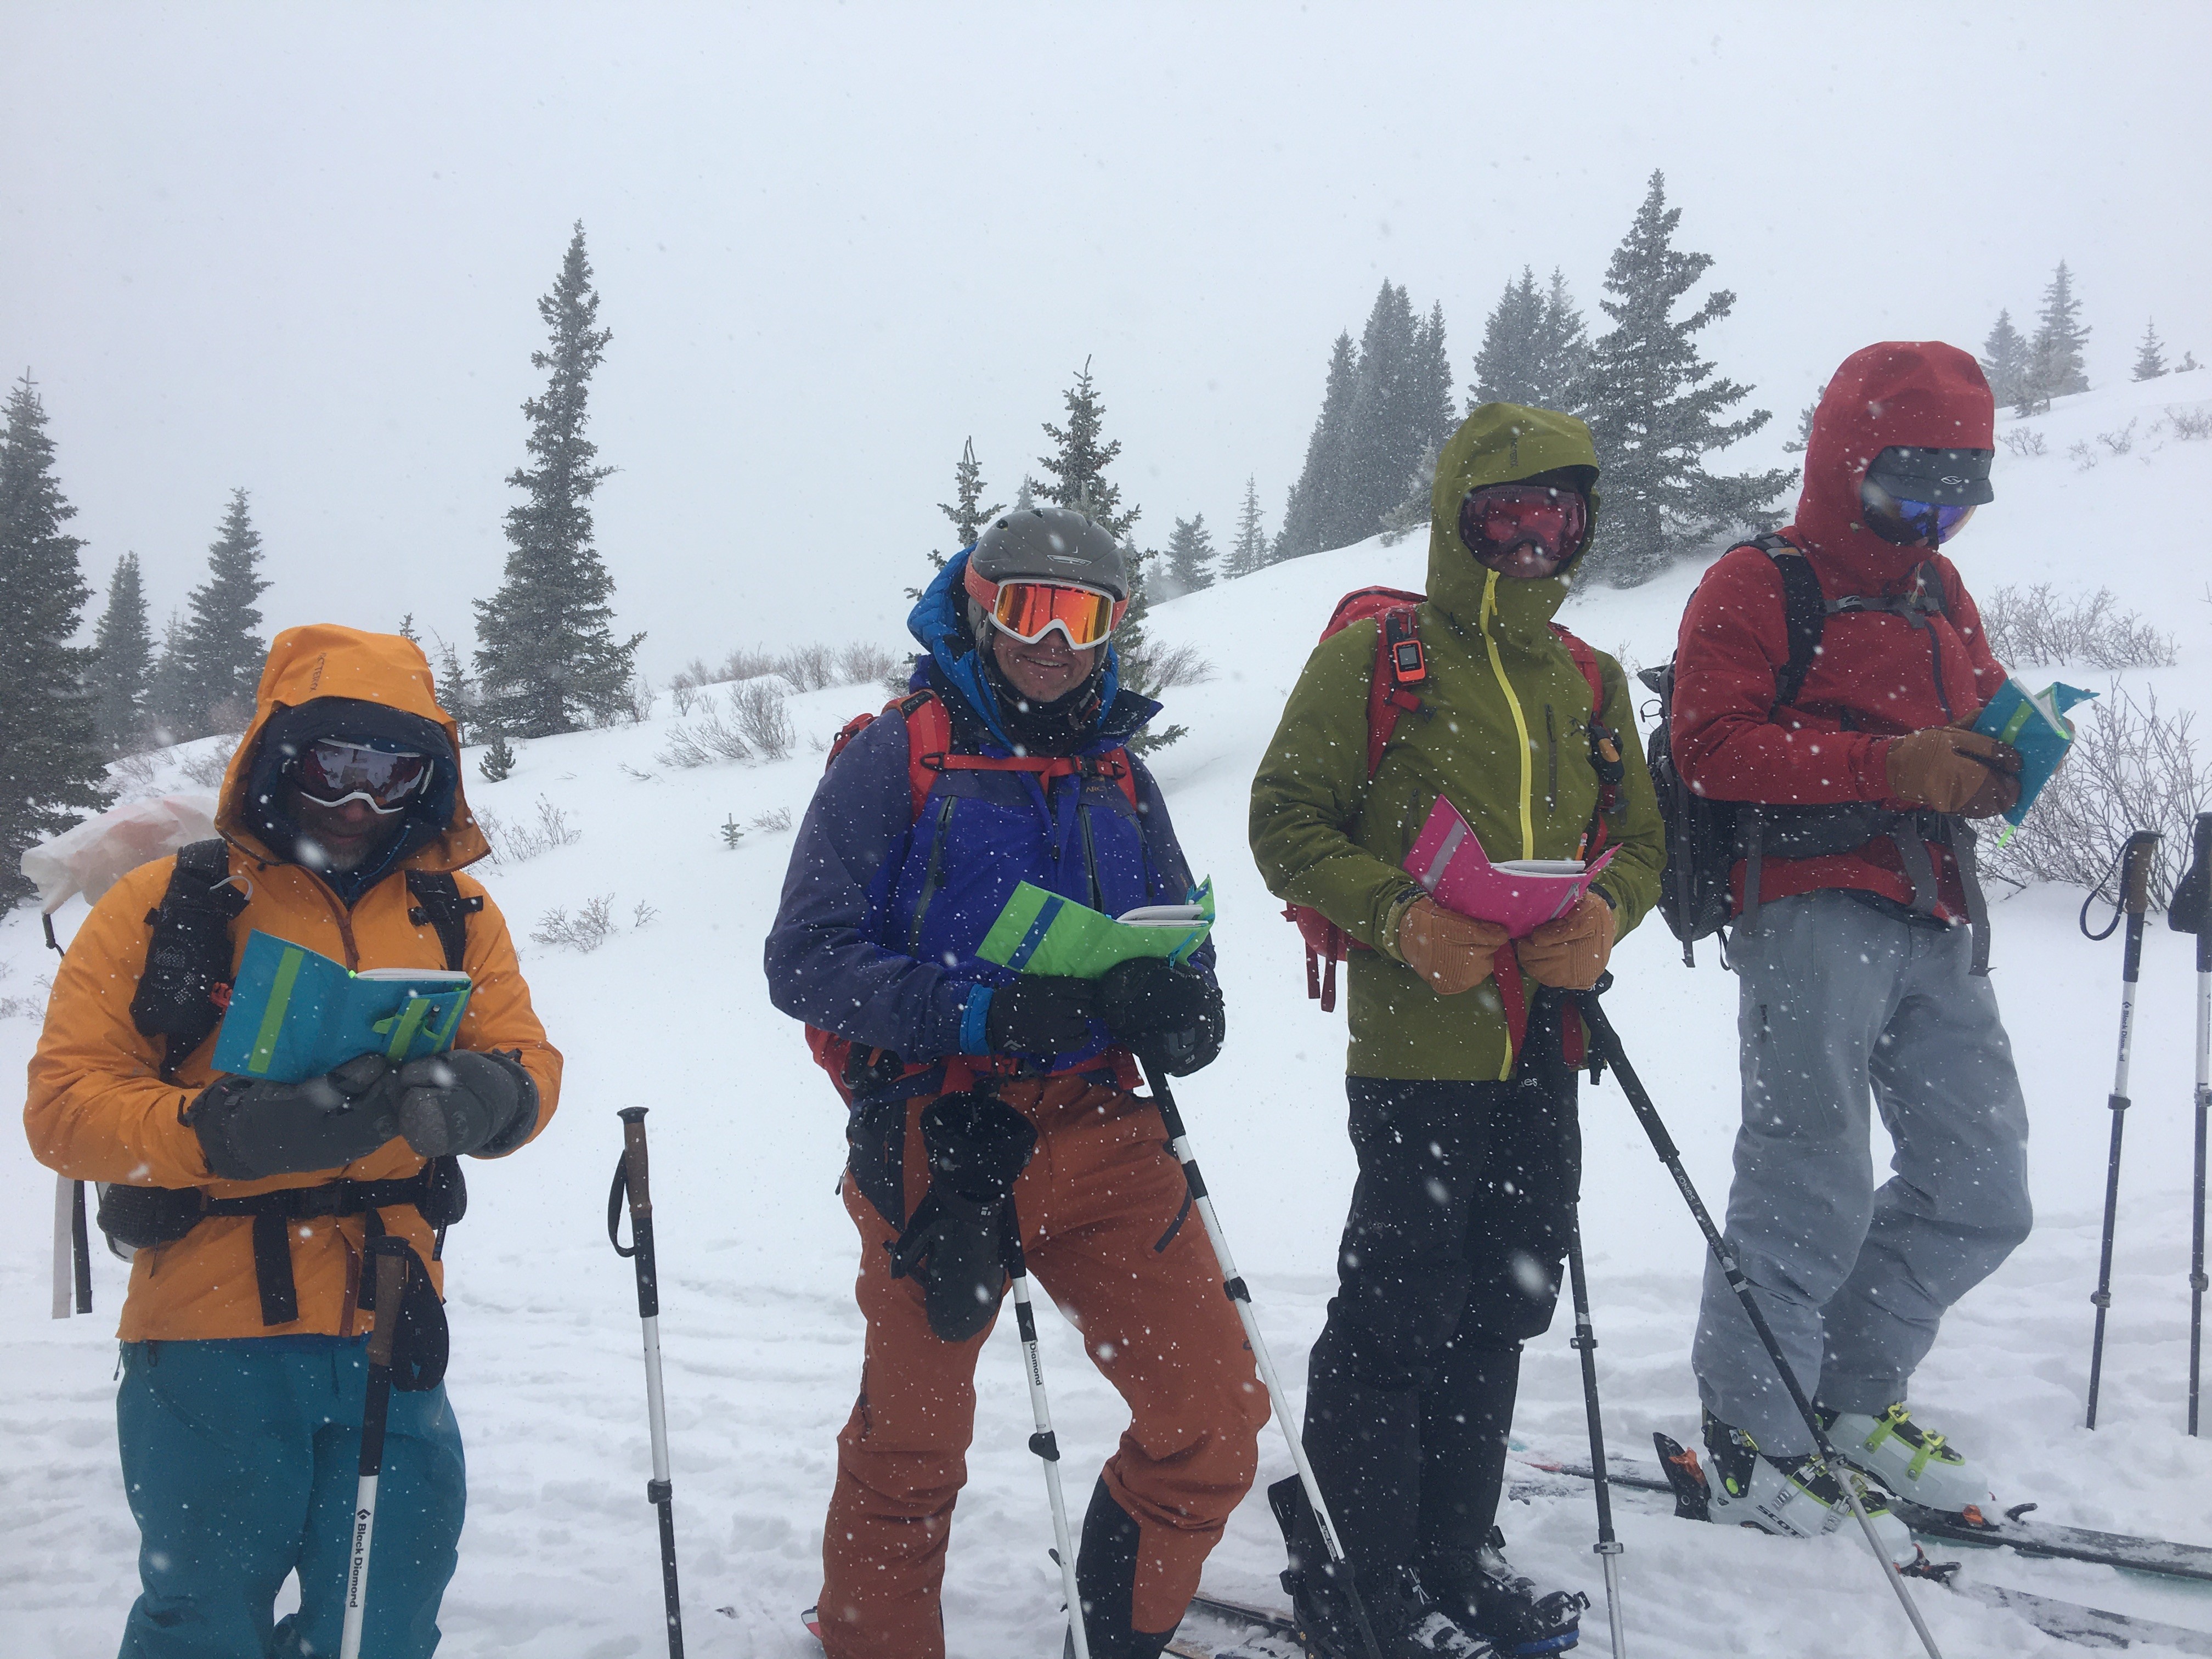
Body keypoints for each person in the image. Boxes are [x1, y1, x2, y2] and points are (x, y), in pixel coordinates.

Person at [764, 505, 1261, 1659]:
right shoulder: (901, 751)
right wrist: (976, 1009)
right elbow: (806, 958)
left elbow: (1182, 935)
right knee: (912, 1450)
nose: (1055, 639)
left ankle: (1121, 1631)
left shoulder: (1120, 775)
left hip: (1100, 1128)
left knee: (1215, 1417)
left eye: (1086, 615)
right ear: (980, 610)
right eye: (1028, 607)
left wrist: (1183, 1000)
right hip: (937, 1132)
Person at [24, 624, 561, 1659]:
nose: (361, 801)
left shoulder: (455, 910)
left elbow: (530, 1060)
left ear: (428, 779)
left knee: (385, 1619)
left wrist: (481, 1096)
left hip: (393, 1313)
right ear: (282, 755)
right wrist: (215, 1131)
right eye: (335, 765)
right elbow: (63, 1105)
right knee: (205, 1624)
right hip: (207, 1329)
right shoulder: (171, 903)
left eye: (392, 771)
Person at [1250, 405, 1664, 1658]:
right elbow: (1285, 820)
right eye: (1508, 516)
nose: (1536, 540)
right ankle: (1359, 1577)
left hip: (1548, 1046)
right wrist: (1394, 916)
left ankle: (1449, 1552)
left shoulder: (1588, 680)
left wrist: (1601, 917)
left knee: (1505, 1300)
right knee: (1399, 1311)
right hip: (1417, 1052)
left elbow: (1643, 845)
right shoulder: (1379, 661)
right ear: (1461, 522)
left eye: (1560, 516)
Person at [1669, 340, 2029, 1534]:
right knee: (1805, 1179)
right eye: (1910, 491)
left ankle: (1850, 1400)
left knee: (1983, 1184)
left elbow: (1972, 708)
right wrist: (1891, 764)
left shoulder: (1938, 591)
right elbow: (1715, 748)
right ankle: (1755, 1435)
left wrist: (1998, 761)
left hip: (1935, 910)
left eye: (1957, 498)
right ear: (1845, 463)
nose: (1933, 522)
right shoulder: (1758, 582)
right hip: (1810, 909)